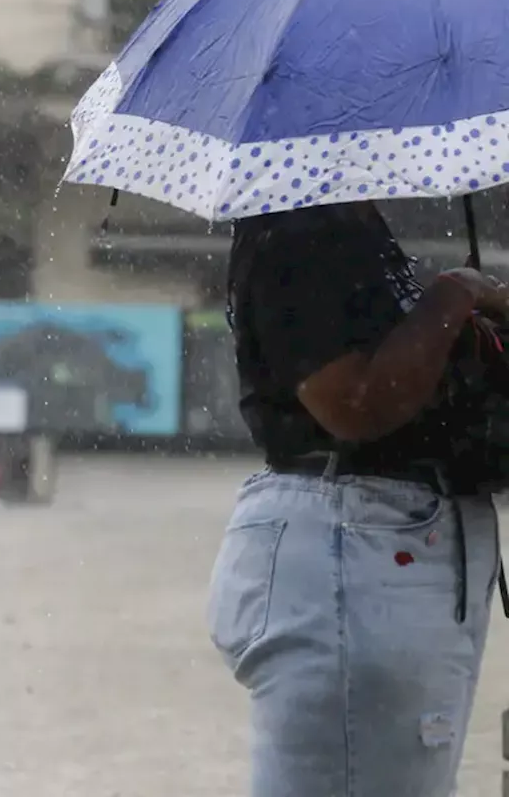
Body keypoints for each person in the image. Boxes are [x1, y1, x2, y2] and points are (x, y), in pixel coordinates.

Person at [214, 202, 508, 797]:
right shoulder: (300, 226)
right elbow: (354, 402)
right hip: (359, 550)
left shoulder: (348, 227)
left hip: (386, 548)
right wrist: (455, 295)